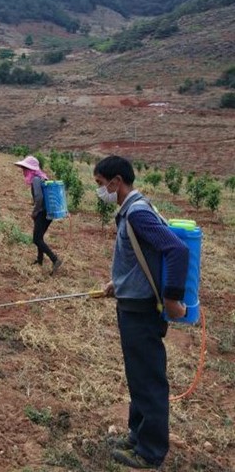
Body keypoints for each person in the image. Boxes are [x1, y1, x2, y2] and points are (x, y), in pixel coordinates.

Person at [93, 155, 189, 470]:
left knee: (148, 381)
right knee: (138, 377)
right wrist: (117, 282)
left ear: (116, 182)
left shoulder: (137, 214)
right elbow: (140, 256)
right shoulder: (132, 211)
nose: (100, 191)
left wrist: (173, 299)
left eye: (100, 184)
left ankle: (150, 452)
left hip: (142, 311)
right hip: (131, 304)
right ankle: (137, 435)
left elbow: (176, 250)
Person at [14, 155, 62, 273]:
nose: (23, 171)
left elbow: (39, 198)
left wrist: (34, 212)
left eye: (25, 169)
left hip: (42, 212)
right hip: (47, 211)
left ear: (30, 169)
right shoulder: (41, 177)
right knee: (39, 237)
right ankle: (39, 260)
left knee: (36, 239)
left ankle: (55, 259)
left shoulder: (35, 179)